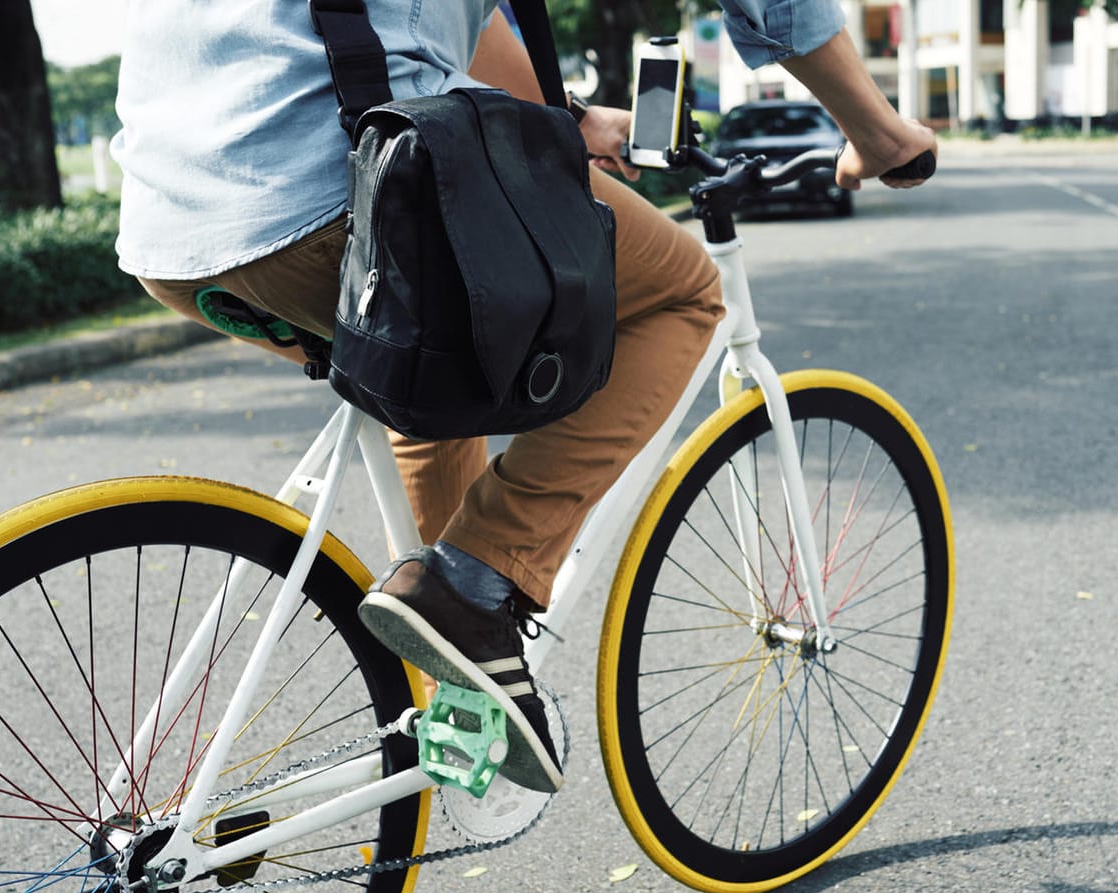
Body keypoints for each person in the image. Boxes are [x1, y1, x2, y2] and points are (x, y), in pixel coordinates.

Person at [112, 0, 936, 794]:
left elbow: (443, 21)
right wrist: (876, 129)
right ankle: (474, 586)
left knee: (441, 357)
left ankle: (470, 666)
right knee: (683, 292)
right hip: (352, 182)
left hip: (173, 235)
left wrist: (569, 120)